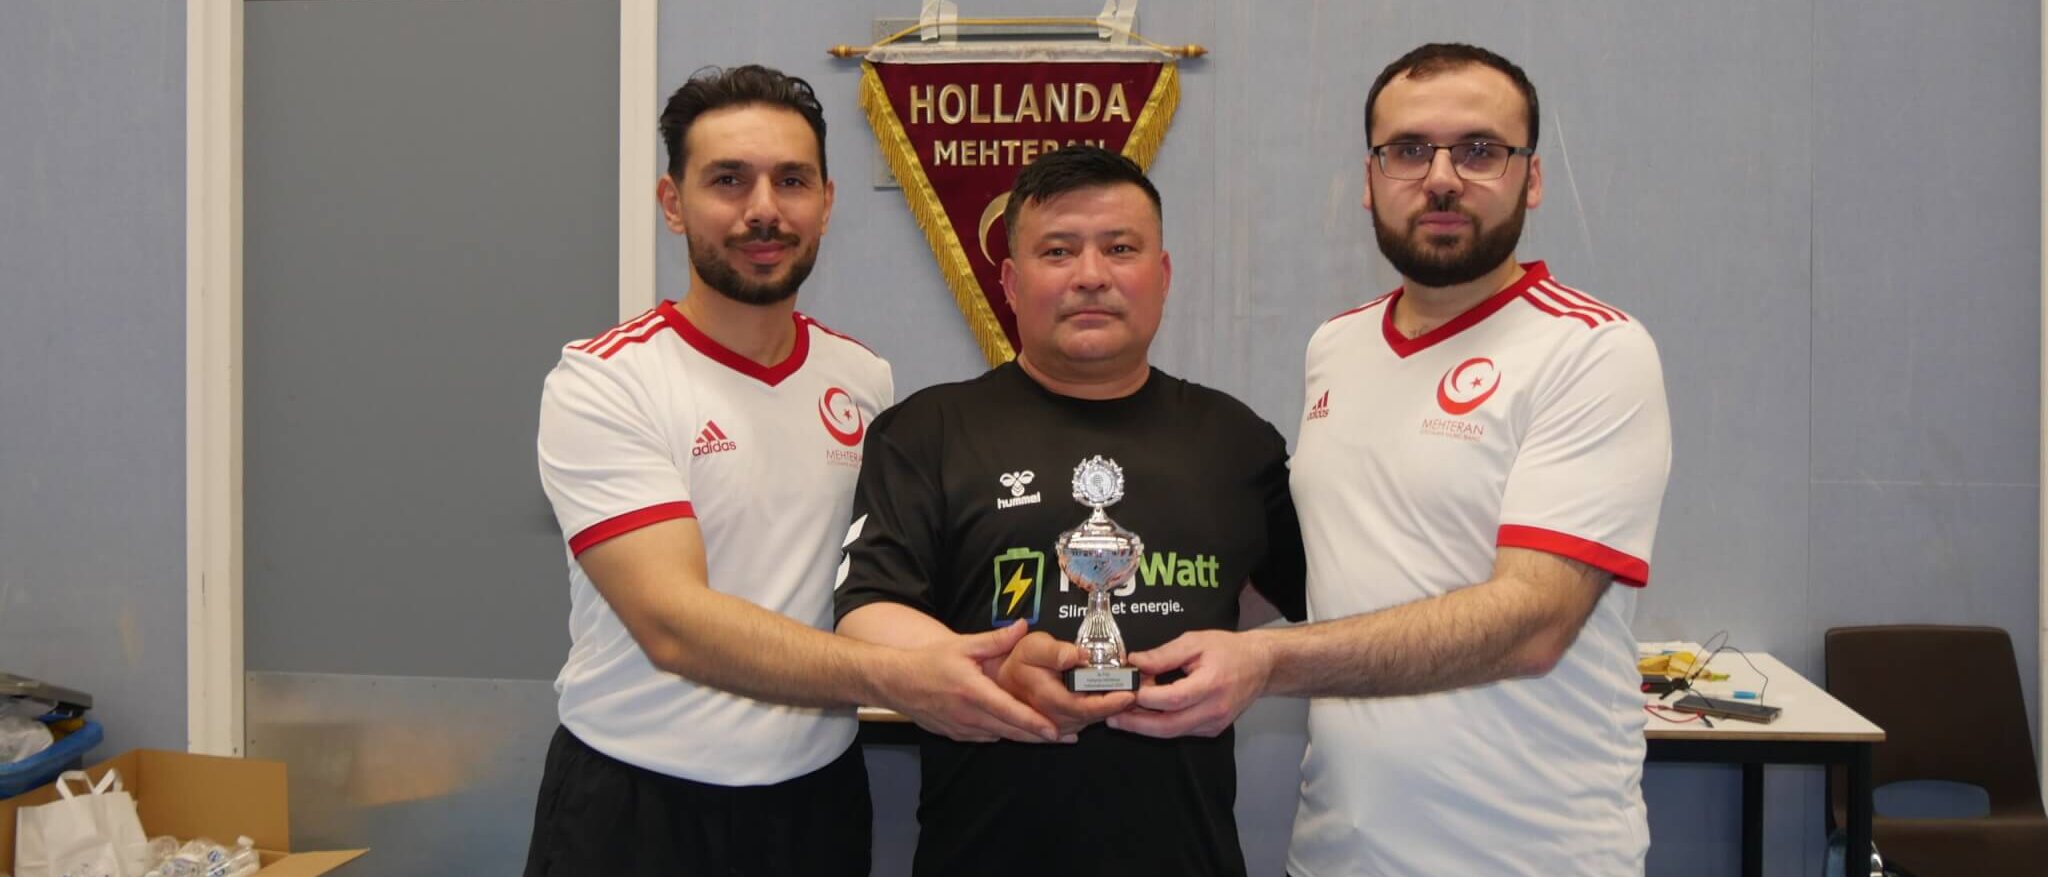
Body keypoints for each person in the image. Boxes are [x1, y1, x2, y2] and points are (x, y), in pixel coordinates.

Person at [1110, 43, 1673, 877]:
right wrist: (1103, 643)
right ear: (1370, 180)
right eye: (1408, 150)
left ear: (1532, 177)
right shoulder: (1336, 347)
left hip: (1531, 858)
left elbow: (1534, 622)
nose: (1441, 178)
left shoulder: (1592, 350)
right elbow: (1331, 567)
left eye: (1479, 150)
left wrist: (1267, 661)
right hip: (1337, 852)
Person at [523, 64, 1059, 877]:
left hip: (817, 807)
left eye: (792, 180)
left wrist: (1003, 654)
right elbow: (672, 623)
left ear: (827, 203)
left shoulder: (862, 379)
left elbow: (886, 582)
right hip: (635, 809)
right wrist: (899, 676)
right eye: (728, 180)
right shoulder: (605, 380)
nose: (764, 209)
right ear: (673, 203)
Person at [833, 145, 1308, 877]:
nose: (1091, 274)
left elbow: (1289, 590)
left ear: (1162, 275)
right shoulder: (928, 431)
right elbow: (868, 612)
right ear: (1010, 282)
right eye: (1058, 251)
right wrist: (996, 671)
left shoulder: (1236, 440)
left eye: (1120, 248)